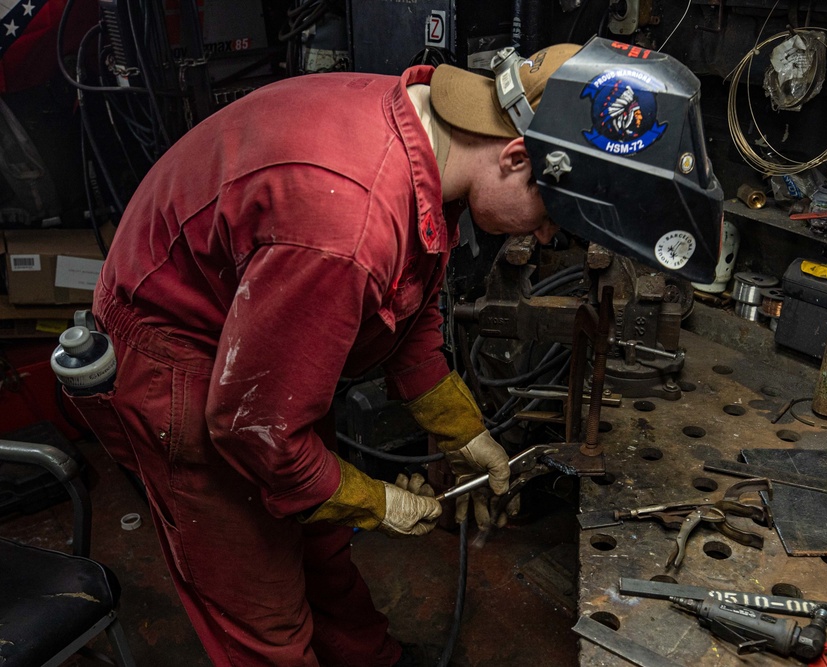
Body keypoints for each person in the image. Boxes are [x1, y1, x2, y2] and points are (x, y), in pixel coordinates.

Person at [66, 42, 581, 667]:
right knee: (261, 604)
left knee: (321, 546)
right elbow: (256, 432)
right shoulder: (349, 224)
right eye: (556, 214)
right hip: (176, 355)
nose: (549, 235)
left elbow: (405, 304)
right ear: (516, 155)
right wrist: (377, 501)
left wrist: (462, 431)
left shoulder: (427, 137)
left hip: (252, 331)